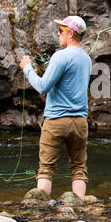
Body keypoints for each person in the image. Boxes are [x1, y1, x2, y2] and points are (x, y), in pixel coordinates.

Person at [19, 15, 92, 197]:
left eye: (61, 31)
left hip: (56, 121)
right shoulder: (87, 59)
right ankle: (80, 208)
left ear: (72, 34)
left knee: (46, 168)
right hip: (80, 123)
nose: (58, 34)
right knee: (79, 168)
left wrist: (27, 67)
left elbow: (43, 87)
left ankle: (41, 212)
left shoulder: (60, 56)